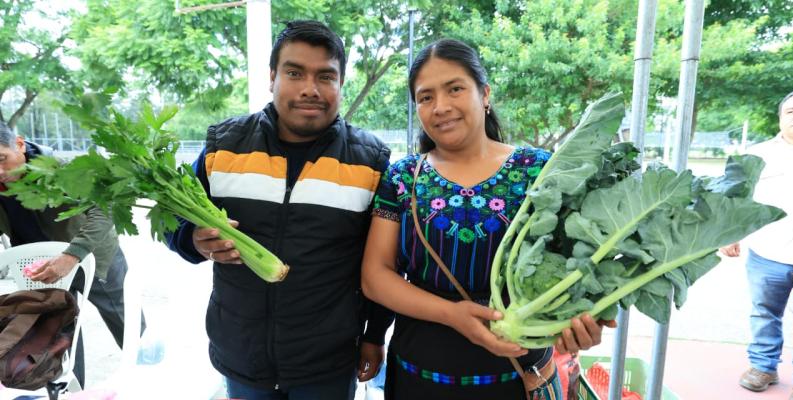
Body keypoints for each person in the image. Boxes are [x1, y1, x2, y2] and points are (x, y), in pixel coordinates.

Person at [361, 38, 612, 400]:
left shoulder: (541, 171)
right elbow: (375, 276)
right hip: (419, 378)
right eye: (425, 97)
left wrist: (585, 322)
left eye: (455, 89)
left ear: (485, 93)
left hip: (519, 380)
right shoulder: (403, 176)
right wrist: (452, 314)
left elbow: (580, 267)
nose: (441, 106)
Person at [166, 20, 393, 400]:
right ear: (272, 77)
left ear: (340, 83)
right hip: (240, 352)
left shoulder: (369, 163)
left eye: (325, 76)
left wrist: (374, 335)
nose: (310, 88)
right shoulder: (224, 148)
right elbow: (173, 216)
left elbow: (385, 263)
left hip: (328, 361)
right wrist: (192, 239)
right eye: (294, 72)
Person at [0, 121, 137, 388]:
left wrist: (72, 255)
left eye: (2, 159)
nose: (0, 172)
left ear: (19, 144)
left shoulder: (62, 169)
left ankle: (153, 379)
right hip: (38, 269)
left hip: (91, 258)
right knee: (55, 337)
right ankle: (71, 390)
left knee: (127, 325)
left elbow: (105, 208)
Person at [721, 88, 793, 399]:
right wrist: (730, 233)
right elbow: (737, 197)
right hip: (769, 251)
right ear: (780, 118)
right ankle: (763, 366)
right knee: (764, 311)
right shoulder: (758, 154)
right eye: (792, 111)